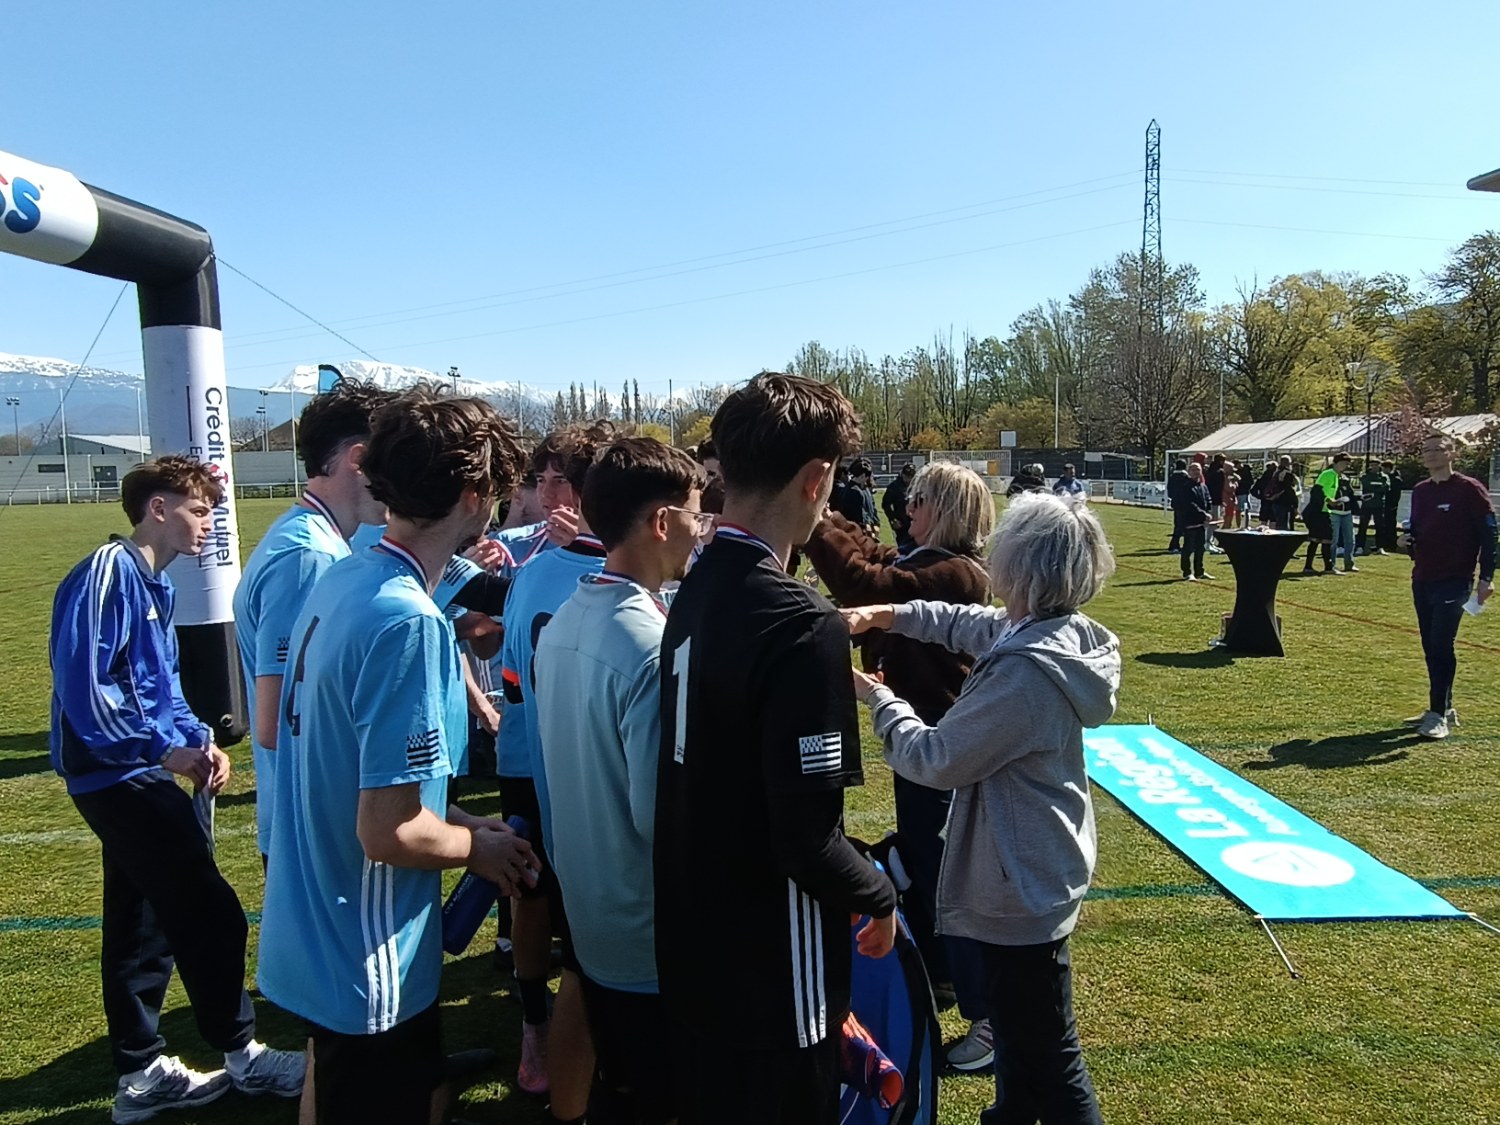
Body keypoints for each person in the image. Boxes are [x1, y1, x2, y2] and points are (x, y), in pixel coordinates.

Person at [257, 392, 537, 1125]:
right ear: (475, 496)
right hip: (364, 948)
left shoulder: (348, 575)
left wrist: (464, 820)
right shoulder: (407, 621)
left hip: (319, 923)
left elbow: (365, 775)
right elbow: (390, 831)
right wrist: (477, 849)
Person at [656, 372, 897, 1125]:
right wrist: (879, 894)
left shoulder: (692, 585)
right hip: (768, 965)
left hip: (694, 940)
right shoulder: (799, 620)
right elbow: (806, 839)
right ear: (817, 479)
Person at [843, 489, 1120, 1125]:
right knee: (1025, 1037)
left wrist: (876, 698)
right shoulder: (1049, 630)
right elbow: (963, 623)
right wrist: (885, 614)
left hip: (1020, 881)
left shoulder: (1026, 674)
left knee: (1052, 1053)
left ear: (1021, 570)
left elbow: (935, 759)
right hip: (1031, 866)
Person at [49, 455, 306, 1123]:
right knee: (209, 909)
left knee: (140, 920)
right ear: (157, 508)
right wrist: (163, 751)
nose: (208, 524)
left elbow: (159, 687)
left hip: (133, 767)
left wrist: (200, 738)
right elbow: (86, 689)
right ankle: (243, 1054)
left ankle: (141, 1075)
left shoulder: (154, 584)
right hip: (116, 773)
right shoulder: (110, 572)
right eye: (198, 510)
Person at [534, 438, 707, 1123]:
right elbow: (663, 816)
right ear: (662, 522)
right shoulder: (650, 644)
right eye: (697, 514)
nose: (703, 529)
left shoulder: (568, 616)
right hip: (646, 929)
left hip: (590, 906)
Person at [802, 462, 994, 1070]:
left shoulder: (955, 573)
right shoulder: (932, 560)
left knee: (943, 879)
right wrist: (825, 511)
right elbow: (877, 555)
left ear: (947, 511)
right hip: (920, 743)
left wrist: (809, 516)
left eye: (920, 500)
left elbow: (867, 581)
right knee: (920, 860)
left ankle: (988, 1017)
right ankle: (945, 975)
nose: (907, 509)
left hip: (940, 747)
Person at [498, 420, 616, 1111]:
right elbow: (514, 678)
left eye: (560, 479)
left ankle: (552, 1034)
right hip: (542, 763)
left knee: (562, 911)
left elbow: (512, 673)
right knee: (537, 894)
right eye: (540, 479)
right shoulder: (539, 566)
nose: (547, 493)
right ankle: (535, 1023)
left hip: (551, 764)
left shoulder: (560, 570)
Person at [234, 379, 394, 865]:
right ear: (359, 459)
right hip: (315, 831)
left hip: (312, 823)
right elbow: (278, 723)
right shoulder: (308, 557)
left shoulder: (313, 540)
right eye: (396, 461)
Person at [1401, 433, 1496, 740]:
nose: (1430, 454)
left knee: (1442, 644)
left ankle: (1437, 715)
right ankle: (1444, 706)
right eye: (1426, 450)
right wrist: (1407, 540)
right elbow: (1417, 530)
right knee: (1431, 646)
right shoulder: (1421, 491)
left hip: (1455, 580)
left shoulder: (1470, 489)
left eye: (1438, 449)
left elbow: (1489, 535)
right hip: (1423, 578)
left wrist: (1487, 578)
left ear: (1452, 454)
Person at [1174, 462, 1216, 581]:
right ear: (1189, 472)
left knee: (1200, 548)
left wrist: (1208, 514)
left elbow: (1208, 500)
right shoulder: (1185, 486)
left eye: (1198, 469)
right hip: (1189, 521)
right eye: (1193, 470)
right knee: (1188, 548)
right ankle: (1187, 573)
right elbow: (1189, 504)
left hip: (1201, 523)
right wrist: (1203, 514)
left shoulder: (1203, 486)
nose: (1196, 472)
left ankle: (1199, 571)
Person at [1318, 454, 1358, 573]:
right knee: (1333, 540)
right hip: (1333, 511)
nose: (1346, 466)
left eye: (1347, 464)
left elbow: (1350, 494)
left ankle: (1349, 563)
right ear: (1336, 462)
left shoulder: (1345, 478)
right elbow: (1318, 490)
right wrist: (1329, 500)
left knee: (1350, 539)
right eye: (1344, 463)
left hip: (1346, 512)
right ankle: (1331, 565)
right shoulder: (1327, 474)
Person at [1356, 460, 1390, 555]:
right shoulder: (1365, 476)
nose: (1374, 467)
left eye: (1376, 465)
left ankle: (1380, 547)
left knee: (1380, 526)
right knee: (1363, 527)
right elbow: (1367, 486)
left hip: (1379, 505)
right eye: (1372, 465)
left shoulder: (1384, 477)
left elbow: (1386, 488)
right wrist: (1377, 486)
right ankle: (1360, 547)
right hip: (1366, 505)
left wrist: (1375, 487)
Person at [883, 461, 917, 550]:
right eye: (906, 476)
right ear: (902, 474)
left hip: (915, 522)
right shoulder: (894, 487)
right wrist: (892, 519)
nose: (908, 479)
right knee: (903, 548)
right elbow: (886, 504)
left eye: (911, 476)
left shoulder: (917, 486)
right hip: (901, 523)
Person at [1165, 459, 1190, 552]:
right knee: (1182, 526)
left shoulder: (1172, 477)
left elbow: (1169, 492)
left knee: (1178, 525)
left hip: (1175, 503)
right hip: (1185, 504)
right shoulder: (1185, 477)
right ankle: (1174, 545)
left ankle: (1176, 544)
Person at [1379, 459, 1403, 553]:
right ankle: (1384, 543)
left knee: (1391, 525)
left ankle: (1391, 544)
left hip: (1391, 505)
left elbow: (1396, 494)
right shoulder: (1385, 478)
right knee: (1384, 524)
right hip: (1384, 504)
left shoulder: (1395, 479)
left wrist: (1394, 505)